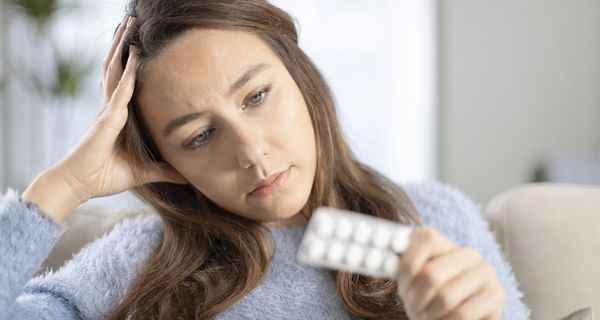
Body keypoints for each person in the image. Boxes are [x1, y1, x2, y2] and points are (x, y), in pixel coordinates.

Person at [0, 0, 529, 319]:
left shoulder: (435, 220)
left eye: (256, 97)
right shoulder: (136, 262)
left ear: (299, 76)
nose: (252, 153)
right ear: (167, 161)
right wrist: (65, 183)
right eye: (201, 135)